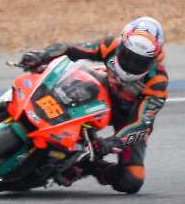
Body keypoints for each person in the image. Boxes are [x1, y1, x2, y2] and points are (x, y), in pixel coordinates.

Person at [16, 16, 167, 194]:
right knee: (68, 83)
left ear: (154, 59)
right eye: (127, 55)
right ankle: (22, 107)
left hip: (128, 118)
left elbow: (143, 123)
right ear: (122, 45)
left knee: (131, 180)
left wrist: (114, 141)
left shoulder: (158, 81)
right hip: (103, 89)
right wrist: (43, 54)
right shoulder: (111, 45)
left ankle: (90, 166)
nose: (131, 64)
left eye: (140, 61)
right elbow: (71, 49)